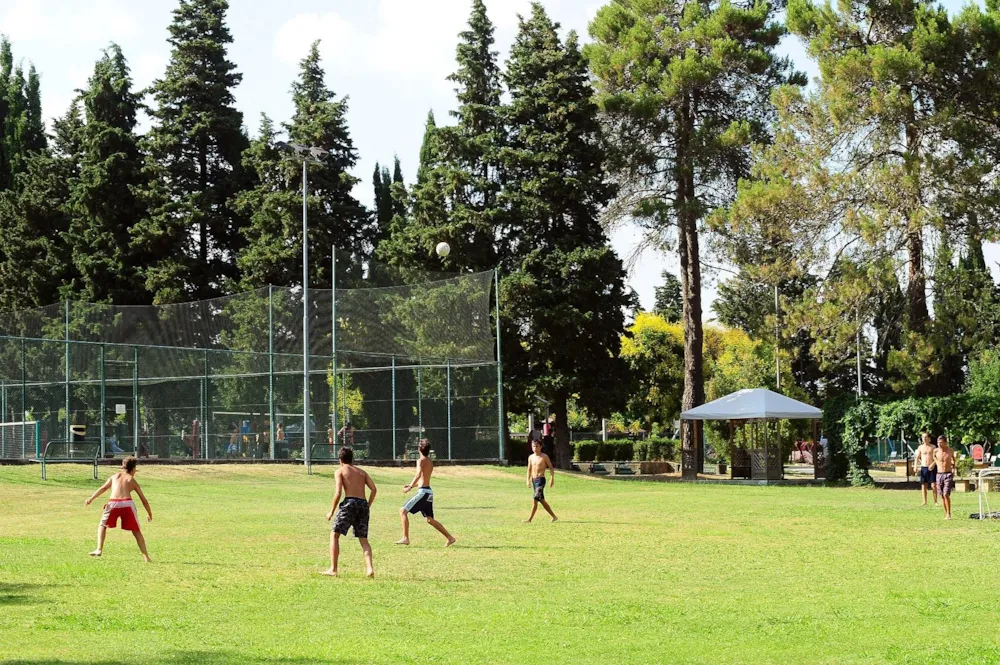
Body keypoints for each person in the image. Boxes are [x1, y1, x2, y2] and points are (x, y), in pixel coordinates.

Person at [84, 456, 152, 561]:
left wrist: (91, 498)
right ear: (133, 469)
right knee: (136, 531)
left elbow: (103, 488)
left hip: (113, 503)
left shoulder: (114, 476)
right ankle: (146, 557)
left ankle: (99, 549)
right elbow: (144, 500)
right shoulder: (131, 479)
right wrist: (149, 513)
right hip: (127, 504)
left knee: (102, 525)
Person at [323, 446, 377, 578]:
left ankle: (333, 569)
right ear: (352, 458)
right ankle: (370, 568)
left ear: (340, 459)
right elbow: (374, 489)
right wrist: (367, 504)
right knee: (363, 540)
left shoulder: (340, 471)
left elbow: (338, 492)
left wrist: (331, 511)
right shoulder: (362, 472)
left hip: (349, 503)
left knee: (334, 535)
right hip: (363, 504)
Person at [397, 440, 456, 547]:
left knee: (403, 511)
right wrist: (413, 485)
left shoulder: (420, 461)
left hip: (423, 493)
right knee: (430, 519)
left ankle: (405, 538)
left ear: (419, 449)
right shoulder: (429, 461)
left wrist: (410, 487)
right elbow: (424, 479)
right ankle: (450, 538)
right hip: (428, 492)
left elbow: (418, 474)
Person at [525, 440, 558, 523]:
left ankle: (553, 516)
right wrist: (528, 480)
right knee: (536, 500)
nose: (535, 448)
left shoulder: (544, 457)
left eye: (537, 446)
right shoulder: (531, 457)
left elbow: (551, 468)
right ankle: (530, 519)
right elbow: (529, 470)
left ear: (540, 447)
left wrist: (552, 478)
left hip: (541, 479)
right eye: (533, 446)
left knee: (537, 496)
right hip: (534, 479)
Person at [934, 435, 956, 520]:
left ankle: (948, 513)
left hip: (948, 474)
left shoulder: (950, 450)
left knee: (946, 493)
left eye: (941, 442)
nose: (939, 444)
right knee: (942, 495)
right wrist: (935, 463)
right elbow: (934, 457)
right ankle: (945, 513)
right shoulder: (935, 451)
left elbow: (954, 460)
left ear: (945, 443)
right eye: (938, 443)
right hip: (939, 474)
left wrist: (954, 469)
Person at [914, 432, 938, 506]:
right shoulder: (920, 447)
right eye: (923, 437)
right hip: (924, 467)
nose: (924, 438)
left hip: (932, 467)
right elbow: (917, 458)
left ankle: (935, 501)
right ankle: (924, 502)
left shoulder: (933, 447)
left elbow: (937, 458)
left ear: (929, 438)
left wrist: (933, 464)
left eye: (925, 437)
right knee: (924, 485)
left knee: (933, 485)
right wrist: (915, 466)